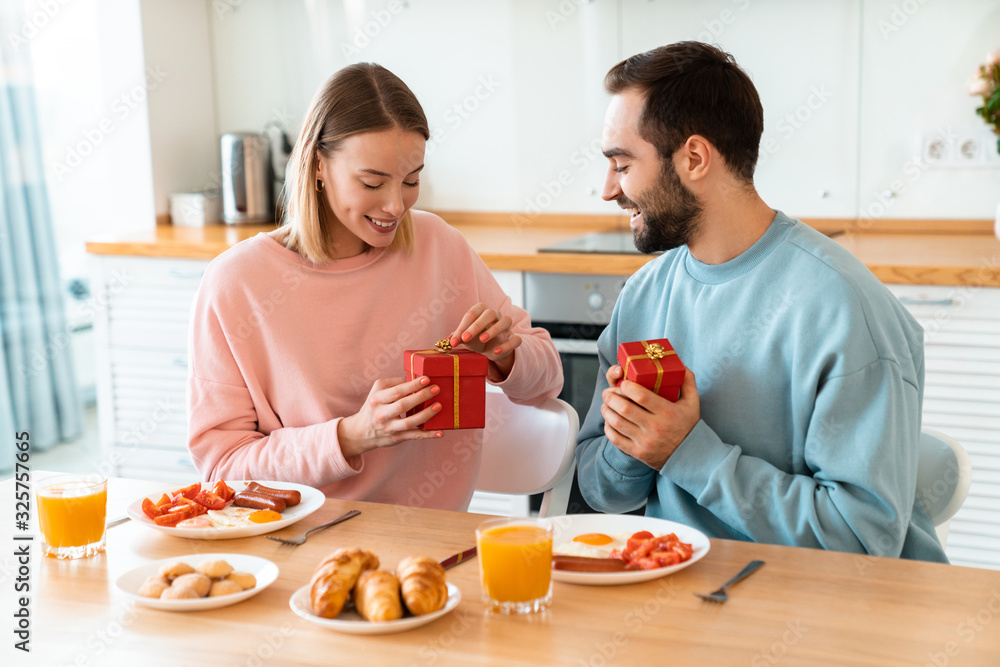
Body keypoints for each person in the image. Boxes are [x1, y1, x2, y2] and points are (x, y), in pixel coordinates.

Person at [575, 42, 947, 562]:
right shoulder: (644, 296)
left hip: (829, 611)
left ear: (695, 159)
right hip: (684, 593)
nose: (608, 190)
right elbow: (603, 491)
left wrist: (688, 453)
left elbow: (864, 541)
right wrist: (630, 442)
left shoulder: (842, 309)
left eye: (621, 164)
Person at [187, 63, 563, 511]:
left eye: (411, 181)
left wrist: (506, 354)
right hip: (302, 541)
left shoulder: (440, 246)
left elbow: (547, 380)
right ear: (318, 164)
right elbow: (221, 468)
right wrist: (352, 436)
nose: (394, 205)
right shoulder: (237, 282)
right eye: (371, 182)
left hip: (431, 544)